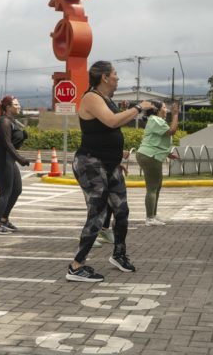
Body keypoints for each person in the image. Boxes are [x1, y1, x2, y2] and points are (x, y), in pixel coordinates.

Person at [66, 61, 152, 282]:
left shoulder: (106, 100)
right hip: (90, 164)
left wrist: (117, 156)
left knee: (122, 210)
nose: (117, 78)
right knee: (98, 213)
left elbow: (104, 133)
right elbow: (112, 122)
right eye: (115, 74)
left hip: (109, 164)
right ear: (104, 77)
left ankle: (119, 254)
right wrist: (139, 107)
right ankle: (76, 266)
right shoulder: (91, 98)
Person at [0, 95, 30, 234]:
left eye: (19, 104)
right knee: (5, 191)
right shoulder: (4, 121)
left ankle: (3, 219)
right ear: (8, 107)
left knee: (16, 190)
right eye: (16, 104)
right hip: (0, 158)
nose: (19, 107)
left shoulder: (13, 121)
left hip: (9, 159)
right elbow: (7, 143)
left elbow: (14, 141)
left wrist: (23, 135)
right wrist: (20, 158)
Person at [135, 101, 180, 226]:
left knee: (157, 186)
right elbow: (171, 131)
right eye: (165, 107)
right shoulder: (155, 120)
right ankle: (150, 218)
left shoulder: (155, 120)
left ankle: (153, 215)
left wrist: (167, 153)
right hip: (150, 156)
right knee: (152, 188)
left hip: (152, 155)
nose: (167, 110)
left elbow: (157, 140)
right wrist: (175, 115)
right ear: (157, 110)